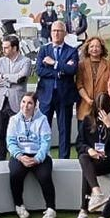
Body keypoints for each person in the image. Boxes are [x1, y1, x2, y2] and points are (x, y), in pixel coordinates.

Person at [7, 92, 58, 218]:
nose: (26, 106)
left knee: (45, 175)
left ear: (35, 106)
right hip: (20, 155)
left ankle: (51, 208)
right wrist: (20, 156)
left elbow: (45, 143)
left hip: (39, 156)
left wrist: (37, 159)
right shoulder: (14, 120)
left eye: (30, 103)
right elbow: (11, 142)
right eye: (23, 102)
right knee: (15, 174)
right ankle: (19, 205)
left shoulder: (43, 120)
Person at [35, 20, 80, 158]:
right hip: (46, 95)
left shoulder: (72, 51)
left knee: (64, 129)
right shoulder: (44, 50)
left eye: (59, 31)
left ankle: (63, 159)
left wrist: (54, 63)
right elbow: (39, 70)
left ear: (65, 33)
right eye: (54, 30)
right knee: (43, 129)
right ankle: (42, 157)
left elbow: (72, 69)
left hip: (64, 96)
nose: (56, 33)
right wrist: (59, 71)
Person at [75, 93, 110, 218]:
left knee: (86, 169)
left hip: (108, 160)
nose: (101, 112)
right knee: (84, 158)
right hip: (93, 158)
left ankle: (83, 210)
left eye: (104, 109)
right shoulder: (87, 120)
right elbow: (79, 143)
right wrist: (89, 150)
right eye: (98, 109)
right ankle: (96, 192)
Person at [0, 34, 30, 161]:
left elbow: (21, 78)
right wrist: (10, 79)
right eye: (3, 47)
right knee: (0, 132)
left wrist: (4, 76)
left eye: (6, 48)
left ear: (14, 48)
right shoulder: (0, 61)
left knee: (18, 133)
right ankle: (0, 158)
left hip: (17, 103)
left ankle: (17, 159)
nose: (3, 50)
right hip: (0, 102)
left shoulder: (26, 61)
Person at [76, 35, 110, 131]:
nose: (94, 49)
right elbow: (79, 85)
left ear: (102, 49)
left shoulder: (109, 65)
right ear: (87, 49)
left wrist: (102, 101)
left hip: (103, 106)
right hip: (85, 105)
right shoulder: (81, 65)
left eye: (97, 46)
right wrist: (88, 99)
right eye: (91, 46)